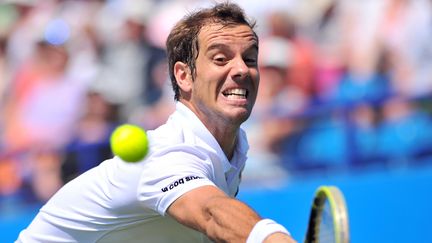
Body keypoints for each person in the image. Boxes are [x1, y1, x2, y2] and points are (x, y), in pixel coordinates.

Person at [16, 3, 296, 243]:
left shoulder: (234, 146)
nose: (241, 69)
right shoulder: (168, 154)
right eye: (221, 58)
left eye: (249, 58)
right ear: (184, 76)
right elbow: (212, 213)